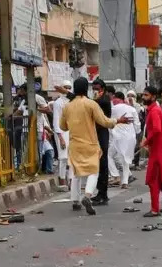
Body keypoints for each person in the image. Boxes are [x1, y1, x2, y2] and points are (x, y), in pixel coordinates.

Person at [59, 76, 129, 215]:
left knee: (76, 172)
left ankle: (75, 201)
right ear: (86, 89)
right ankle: (88, 195)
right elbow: (104, 122)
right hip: (90, 143)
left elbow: (63, 127)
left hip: (74, 144)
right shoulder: (91, 104)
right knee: (93, 171)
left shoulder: (68, 106)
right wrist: (118, 120)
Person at [139, 85, 162, 217]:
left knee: (152, 179)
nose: (143, 97)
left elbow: (156, 129)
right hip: (160, 148)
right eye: (143, 95)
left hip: (158, 149)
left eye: (146, 95)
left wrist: (146, 141)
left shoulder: (154, 111)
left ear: (153, 97)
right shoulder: (154, 109)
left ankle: (155, 209)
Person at [90, 78, 114, 205]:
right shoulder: (97, 100)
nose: (95, 91)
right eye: (93, 89)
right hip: (96, 133)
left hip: (102, 132)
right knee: (98, 165)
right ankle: (100, 193)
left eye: (97, 89)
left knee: (103, 164)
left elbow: (90, 104)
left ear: (103, 89)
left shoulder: (103, 100)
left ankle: (103, 194)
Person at [108, 91, 138, 188]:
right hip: (130, 137)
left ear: (117, 98)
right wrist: (136, 133)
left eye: (114, 99)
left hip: (118, 137)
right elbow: (137, 125)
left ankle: (116, 175)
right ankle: (124, 182)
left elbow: (109, 123)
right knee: (126, 159)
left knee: (109, 155)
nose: (113, 101)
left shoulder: (112, 108)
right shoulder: (132, 109)